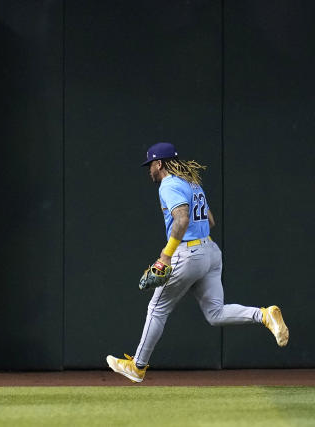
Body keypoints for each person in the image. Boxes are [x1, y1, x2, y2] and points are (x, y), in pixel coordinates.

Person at [106, 142, 289, 383]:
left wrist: (165, 255)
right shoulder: (191, 182)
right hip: (210, 250)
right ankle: (264, 315)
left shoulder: (169, 184)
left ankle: (138, 366)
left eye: (150, 164)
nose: (149, 169)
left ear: (159, 163)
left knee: (157, 309)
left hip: (188, 253)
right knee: (215, 313)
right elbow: (210, 220)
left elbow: (181, 220)